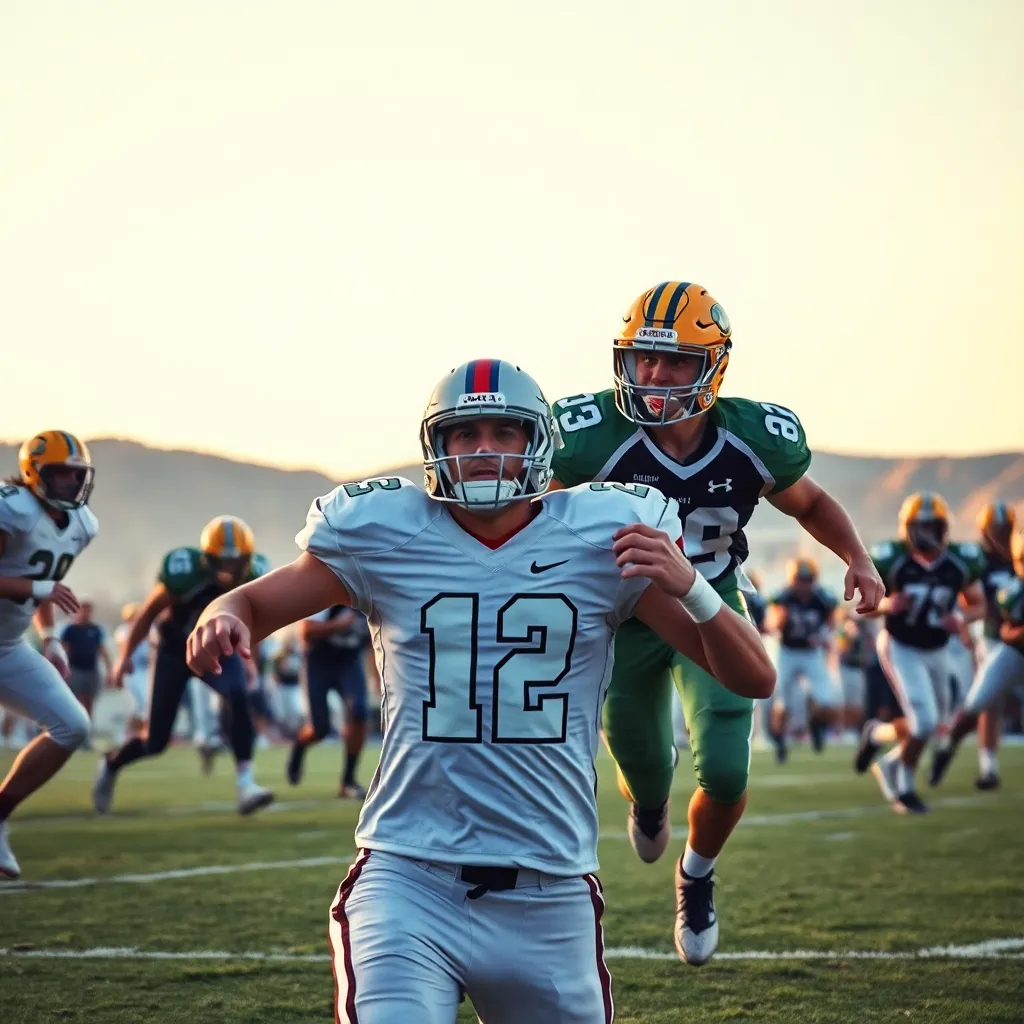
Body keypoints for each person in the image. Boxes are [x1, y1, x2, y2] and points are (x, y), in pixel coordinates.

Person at [187, 359, 775, 1022]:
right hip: (408, 880)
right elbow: (252, 604)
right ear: (436, 445)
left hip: (549, 891)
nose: (486, 451)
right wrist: (223, 617)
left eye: (505, 431)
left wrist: (691, 585)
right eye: (466, 434)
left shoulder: (606, 533)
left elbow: (753, 676)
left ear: (540, 444)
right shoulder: (386, 531)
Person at [548, 281, 883, 964]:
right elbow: (537, 520)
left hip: (714, 600)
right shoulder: (589, 440)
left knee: (727, 770)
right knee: (640, 759)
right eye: (643, 358)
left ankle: (696, 874)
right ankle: (649, 802)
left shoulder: (751, 439)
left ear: (714, 367)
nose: (654, 374)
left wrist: (858, 557)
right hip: (629, 610)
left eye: (674, 362)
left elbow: (810, 503)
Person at [92, 516, 274, 816]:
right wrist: (124, 657)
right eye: (222, 562)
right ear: (207, 558)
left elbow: (256, 619)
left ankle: (246, 784)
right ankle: (112, 763)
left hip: (217, 650)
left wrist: (250, 658)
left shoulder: (255, 574)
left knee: (240, 695)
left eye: (235, 561)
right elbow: (148, 613)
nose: (228, 570)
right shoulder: (185, 572)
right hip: (173, 651)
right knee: (155, 741)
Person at [0, 431, 98, 879]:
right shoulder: (12, 510)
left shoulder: (81, 526)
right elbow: (37, 583)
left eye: (76, 476)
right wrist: (34, 589)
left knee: (73, 725)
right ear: (33, 472)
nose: (70, 485)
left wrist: (51, 636)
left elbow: (42, 573)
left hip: (8, 645)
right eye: (60, 474)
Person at [855, 493, 985, 813]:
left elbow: (979, 604)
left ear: (944, 529)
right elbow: (865, 607)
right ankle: (905, 787)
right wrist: (888, 604)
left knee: (935, 724)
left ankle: (879, 738)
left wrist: (961, 618)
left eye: (933, 526)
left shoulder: (958, 562)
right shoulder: (893, 559)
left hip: (938, 647)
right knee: (924, 722)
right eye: (920, 527)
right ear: (907, 529)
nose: (926, 534)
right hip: (901, 645)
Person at [930, 522, 1024, 790]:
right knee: (976, 703)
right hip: (1012, 654)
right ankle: (948, 746)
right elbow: (1006, 630)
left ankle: (987, 769)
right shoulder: (1013, 590)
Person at [288, 605, 370, 797]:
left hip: (349, 662)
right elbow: (305, 630)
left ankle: (348, 780)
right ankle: (299, 746)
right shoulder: (333, 596)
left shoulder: (375, 601)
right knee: (319, 729)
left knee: (359, 712)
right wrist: (338, 624)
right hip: (319, 662)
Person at [764, 557, 839, 761]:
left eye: (808, 580)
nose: (804, 585)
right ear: (792, 579)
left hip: (810, 652)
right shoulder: (782, 597)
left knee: (825, 700)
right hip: (786, 650)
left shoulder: (823, 598)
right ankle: (779, 741)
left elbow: (832, 620)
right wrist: (780, 620)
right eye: (800, 579)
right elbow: (772, 625)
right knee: (784, 702)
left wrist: (823, 635)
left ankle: (814, 722)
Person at [60, 601, 112, 735]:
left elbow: (102, 650)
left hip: (91, 670)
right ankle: (74, 731)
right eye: (83, 610)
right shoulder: (70, 629)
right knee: (75, 702)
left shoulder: (96, 630)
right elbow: (64, 649)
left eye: (89, 610)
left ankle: (86, 734)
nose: (86, 613)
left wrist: (110, 669)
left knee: (89, 703)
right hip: (75, 670)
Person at [113, 602, 153, 741]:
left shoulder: (148, 629)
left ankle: (140, 734)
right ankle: (128, 734)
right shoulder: (123, 631)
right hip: (132, 671)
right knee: (136, 705)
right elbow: (122, 649)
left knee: (145, 705)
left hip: (145, 670)